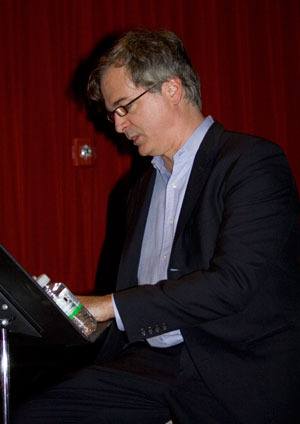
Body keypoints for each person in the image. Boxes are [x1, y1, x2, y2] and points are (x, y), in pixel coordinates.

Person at [12, 29, 300, 424]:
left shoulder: (251, 163)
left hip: (235, 368)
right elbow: (137, 303)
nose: (117, 125)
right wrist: (72, 315)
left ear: (172, 89)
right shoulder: (139, 188)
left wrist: (109, 306)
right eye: (112, 113)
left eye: (124, 107)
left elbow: (233, 284)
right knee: (34, 414)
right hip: (152, 365)